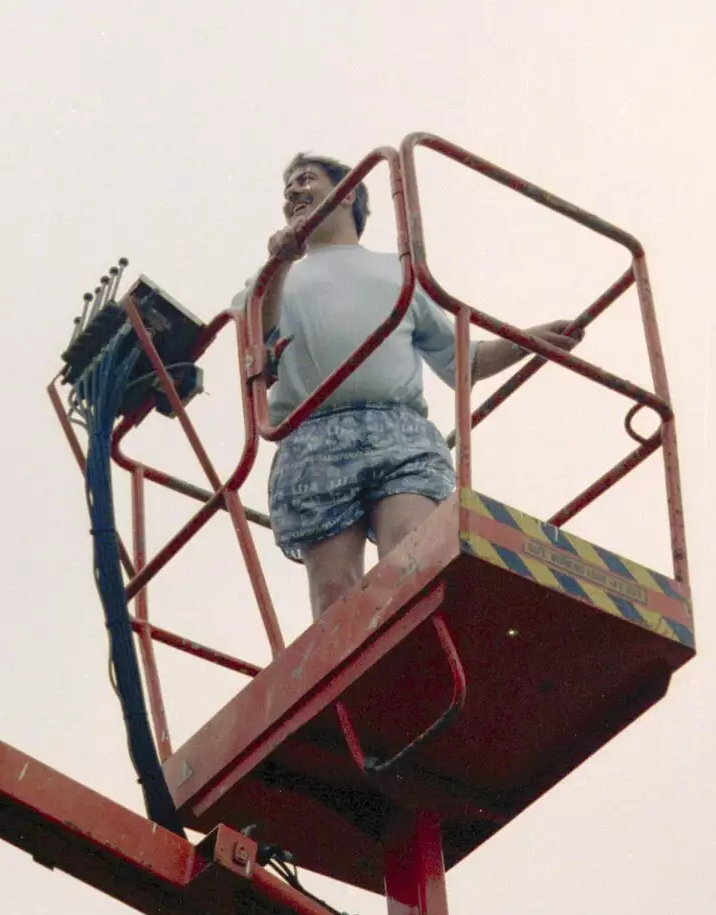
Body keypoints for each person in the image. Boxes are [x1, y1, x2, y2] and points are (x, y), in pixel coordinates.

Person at [237, 152, 585, 620]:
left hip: (397, 431)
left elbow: (466, 363)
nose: (294, 193)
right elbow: (258, 337)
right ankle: (365, 686)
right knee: (335, 595)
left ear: (350, 193)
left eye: (307, 180)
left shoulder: (399, 272)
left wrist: (528, 342)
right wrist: (278, 263)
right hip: (313, 438)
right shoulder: (269, 282)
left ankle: (423, 664)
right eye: (288, 188)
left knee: (412, 554)